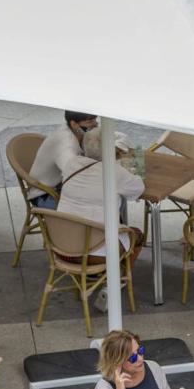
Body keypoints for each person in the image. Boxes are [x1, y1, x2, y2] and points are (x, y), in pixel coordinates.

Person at [56, 127, 145, 311]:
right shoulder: (115, 173)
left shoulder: (71, 164)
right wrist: (124, 162)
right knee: (137, 235)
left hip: (60, 248)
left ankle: (104, 278)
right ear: (111, 149)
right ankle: (115, 282)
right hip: (94, 254)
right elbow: (139, 188)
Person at [28, 110, 100, 210]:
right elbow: (74, 175)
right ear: (74, 124)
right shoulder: (66, 145)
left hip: (61, 186)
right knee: (100, 207)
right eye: (90, 121)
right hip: (45, 195)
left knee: (107, 198)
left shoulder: (76, 131)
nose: (96, 124)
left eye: (95, 119)